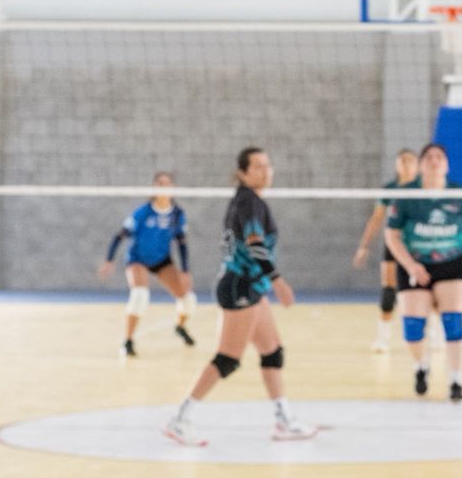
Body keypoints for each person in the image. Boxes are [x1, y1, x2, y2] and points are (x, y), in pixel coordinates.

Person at [163, 147, 315, 446]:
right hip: (240, 286)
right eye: (257, 166)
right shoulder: (248, 202)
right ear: (243, 173)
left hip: (251, 286)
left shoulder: (249, 201)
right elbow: (255, 245)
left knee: (272, 351)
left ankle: (283, 420)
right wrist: (278, 281)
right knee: (228, 359)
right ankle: (180, 419)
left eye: (267, 165)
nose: (265, 171)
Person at [385, 142, 462, 401]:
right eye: (428, 156)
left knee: (453, 321)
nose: (434, 160)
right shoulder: (406, 195)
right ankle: (421, 366)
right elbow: (391, 235)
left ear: (447, 164)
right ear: (421, 164)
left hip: (455, 262)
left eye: (439, 156)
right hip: (416, 263)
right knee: (412, 327)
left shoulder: (458, 193)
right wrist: (410, 265)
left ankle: (456, 379)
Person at [99, 171, 196, 356]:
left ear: (173, 188)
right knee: (140, 295)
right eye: (160, 184)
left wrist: (185, 270)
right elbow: (120, 236)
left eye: (167, 184)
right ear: (153, 188)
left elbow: (182, 243)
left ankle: (180, 326)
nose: (164, 187)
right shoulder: (143, 212)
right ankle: (128, 341)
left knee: (188, 300)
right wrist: (109, 260)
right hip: (138, 259)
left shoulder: (177, 215)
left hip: (162, 260)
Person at [353, 148, 420, 352]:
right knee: (389, 290)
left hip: (419, 245)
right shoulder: (390, 189)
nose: (406, 164)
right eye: (402, 161)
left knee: (426, 289)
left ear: (417, 165)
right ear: (396, 165)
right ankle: (383, 338)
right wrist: (364, 246)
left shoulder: (423, 188)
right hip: (394, 243)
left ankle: (435, 335)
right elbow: (376, 219)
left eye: (410, 161)